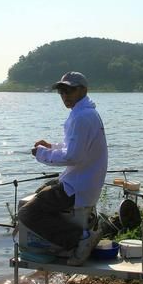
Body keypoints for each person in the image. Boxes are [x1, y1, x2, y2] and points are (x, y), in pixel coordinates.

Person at [18, 71, 108, 265]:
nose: (65, 95)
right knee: (41, 192)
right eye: (61, 91)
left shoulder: (82, 117)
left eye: (69, 90)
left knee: (26, 213)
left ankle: (79, 239)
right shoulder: (85, 113)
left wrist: (42, 154)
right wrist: (51, 147)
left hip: (79, 186)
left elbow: (73, 156)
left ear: (83, 90)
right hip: (83, 181)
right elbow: (75, 147)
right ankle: (64, 241)